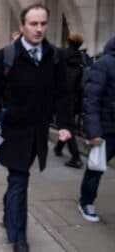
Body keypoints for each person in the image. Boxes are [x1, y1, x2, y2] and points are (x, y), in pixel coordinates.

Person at [0, 4, 72, 252]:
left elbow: (63, 93)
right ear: (22, 26)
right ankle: (18, 237)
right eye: (33, 24)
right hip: (12, 133)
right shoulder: (6, 56)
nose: (39, 28)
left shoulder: (55, 56)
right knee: (20, 180)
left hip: (38, 134)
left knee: (16, 181)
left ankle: (9, 215)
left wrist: (64, 124)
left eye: (43, 23)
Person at [79, 36, 115, 223]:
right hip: (107, 129)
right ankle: (86, 202)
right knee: (96, 168)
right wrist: (94, 132)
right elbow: (91, 99)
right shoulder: (104, 64)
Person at [53, 33, 87, 168]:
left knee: (67, 127)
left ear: (68, 42)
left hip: (61, 96)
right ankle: (59, 147)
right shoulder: (82, 58)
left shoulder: (61, 55)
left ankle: (76, 157)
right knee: (66, 124)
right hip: (74, 97)